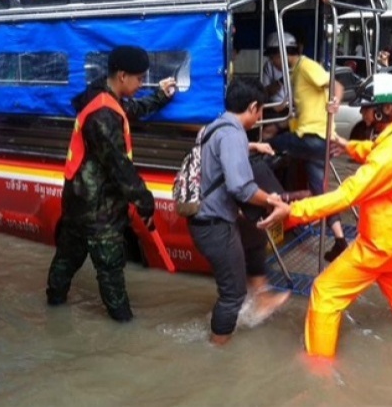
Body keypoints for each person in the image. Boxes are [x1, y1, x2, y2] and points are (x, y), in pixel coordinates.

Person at [259, 73, 392, 359]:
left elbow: (347, 195)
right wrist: (348, 146)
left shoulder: (391, 151)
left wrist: (293, 210)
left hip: (382, 245)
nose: (362, 111)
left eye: (367, 106)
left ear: (386, 109)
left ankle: (319, 371)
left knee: (325, 292)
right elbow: (380, 153)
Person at [46, 45, 177, 322]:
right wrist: (144, 200)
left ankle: (53, 306)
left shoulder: (101, 97)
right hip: (98, 210)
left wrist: (161, 96)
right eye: (139, 79)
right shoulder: (103, 115)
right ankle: (124, 327)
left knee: (66, 261)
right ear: (122, 75)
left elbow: (132, 108)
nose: (141, 84)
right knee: (111, 272)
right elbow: (119, 165)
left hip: (77, 202)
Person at [187, 77, 291, 346]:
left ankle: (255, 301)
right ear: (254, 106)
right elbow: (241, 188)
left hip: (204, 220)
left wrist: (252, 146)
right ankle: (216, 350)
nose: (259, 117)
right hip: (214, 224)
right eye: (261, 111)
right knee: (233, 294)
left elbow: (220, 153)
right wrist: (273, 201)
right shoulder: (233, 134)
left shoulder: (215, 127)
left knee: (240, 271)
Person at [265, 32, 349, 262]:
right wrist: (279, 126)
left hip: (314, 139)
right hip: (317, 141)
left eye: (273, 58)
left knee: (263, 149)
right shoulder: (294, 74)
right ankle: (340, 240)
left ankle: (269, 201)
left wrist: (336, 102)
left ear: (281, 54)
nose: (272, 64)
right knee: (322, 194)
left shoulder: (306, 66)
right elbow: (300, 114)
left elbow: (335, 84)